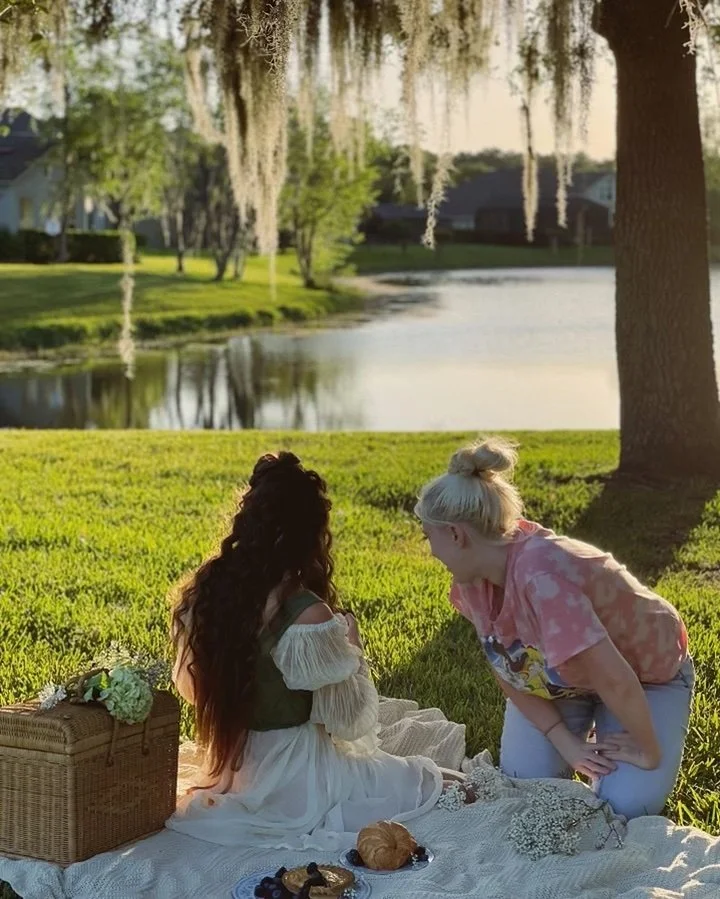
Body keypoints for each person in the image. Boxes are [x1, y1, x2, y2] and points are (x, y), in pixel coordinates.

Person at [166, 451, 442, 850]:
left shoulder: (205, 593)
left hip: (233, 762)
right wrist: (352, 646)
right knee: (420, 779)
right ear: (308, 536)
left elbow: (190, 688)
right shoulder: (307, 614)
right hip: (296, 779)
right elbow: (348, 723)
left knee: (415, 775)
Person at [414, 436, 694, 820]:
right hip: (564, 680)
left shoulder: (542, 576)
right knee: (524, 788)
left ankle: (634, 742)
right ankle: (585, 732)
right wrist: (564, 741)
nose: (430, 550)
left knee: (628, 808)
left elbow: (616, 680)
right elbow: (505, 667)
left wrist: (648, 749)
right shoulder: (474, 580)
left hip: (644, 678)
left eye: (429, 536)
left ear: (456, 534)